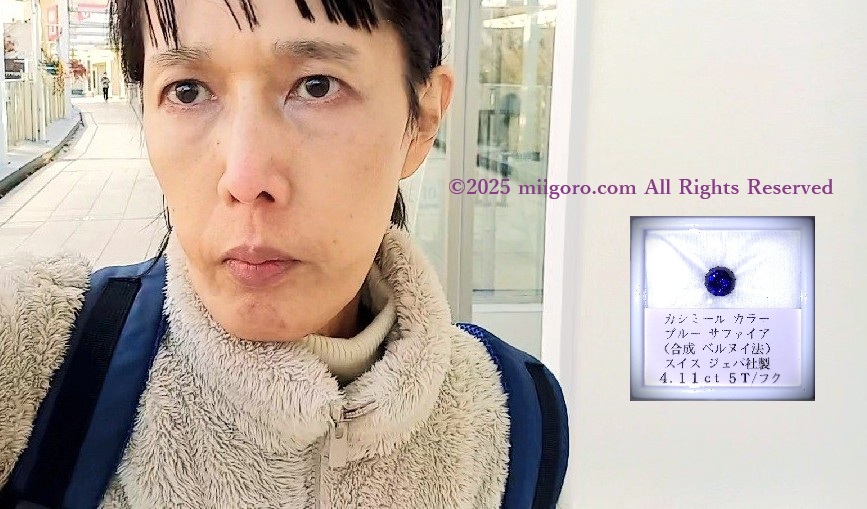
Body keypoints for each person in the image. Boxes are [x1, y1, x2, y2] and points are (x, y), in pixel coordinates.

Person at [0, 1, 568, 507]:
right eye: (187, 90)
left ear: (421, 120)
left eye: (317, 86)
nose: (246, 177)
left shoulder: (516, 424)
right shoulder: (38, 361)